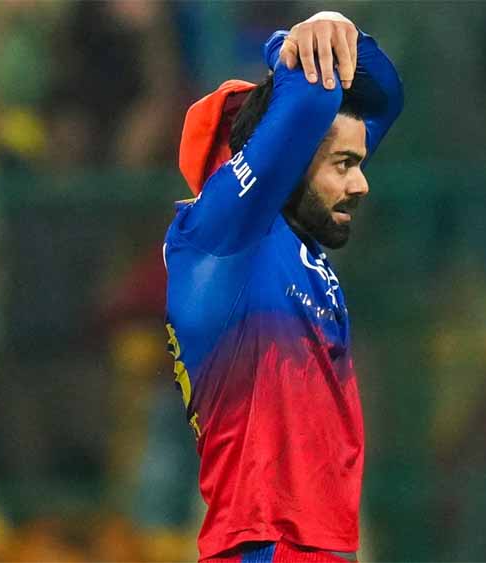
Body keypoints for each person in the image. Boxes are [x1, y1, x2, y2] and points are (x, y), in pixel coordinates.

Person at [164, 11, 402, 562]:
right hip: (266, 542)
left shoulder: (290, 246)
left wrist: (339, 30)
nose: (361, 183)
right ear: (286, 156)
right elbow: (311, 101)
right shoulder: (216, 239)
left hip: (316, 543)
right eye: (344, 164)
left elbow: (386, 96)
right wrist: (290, 43)